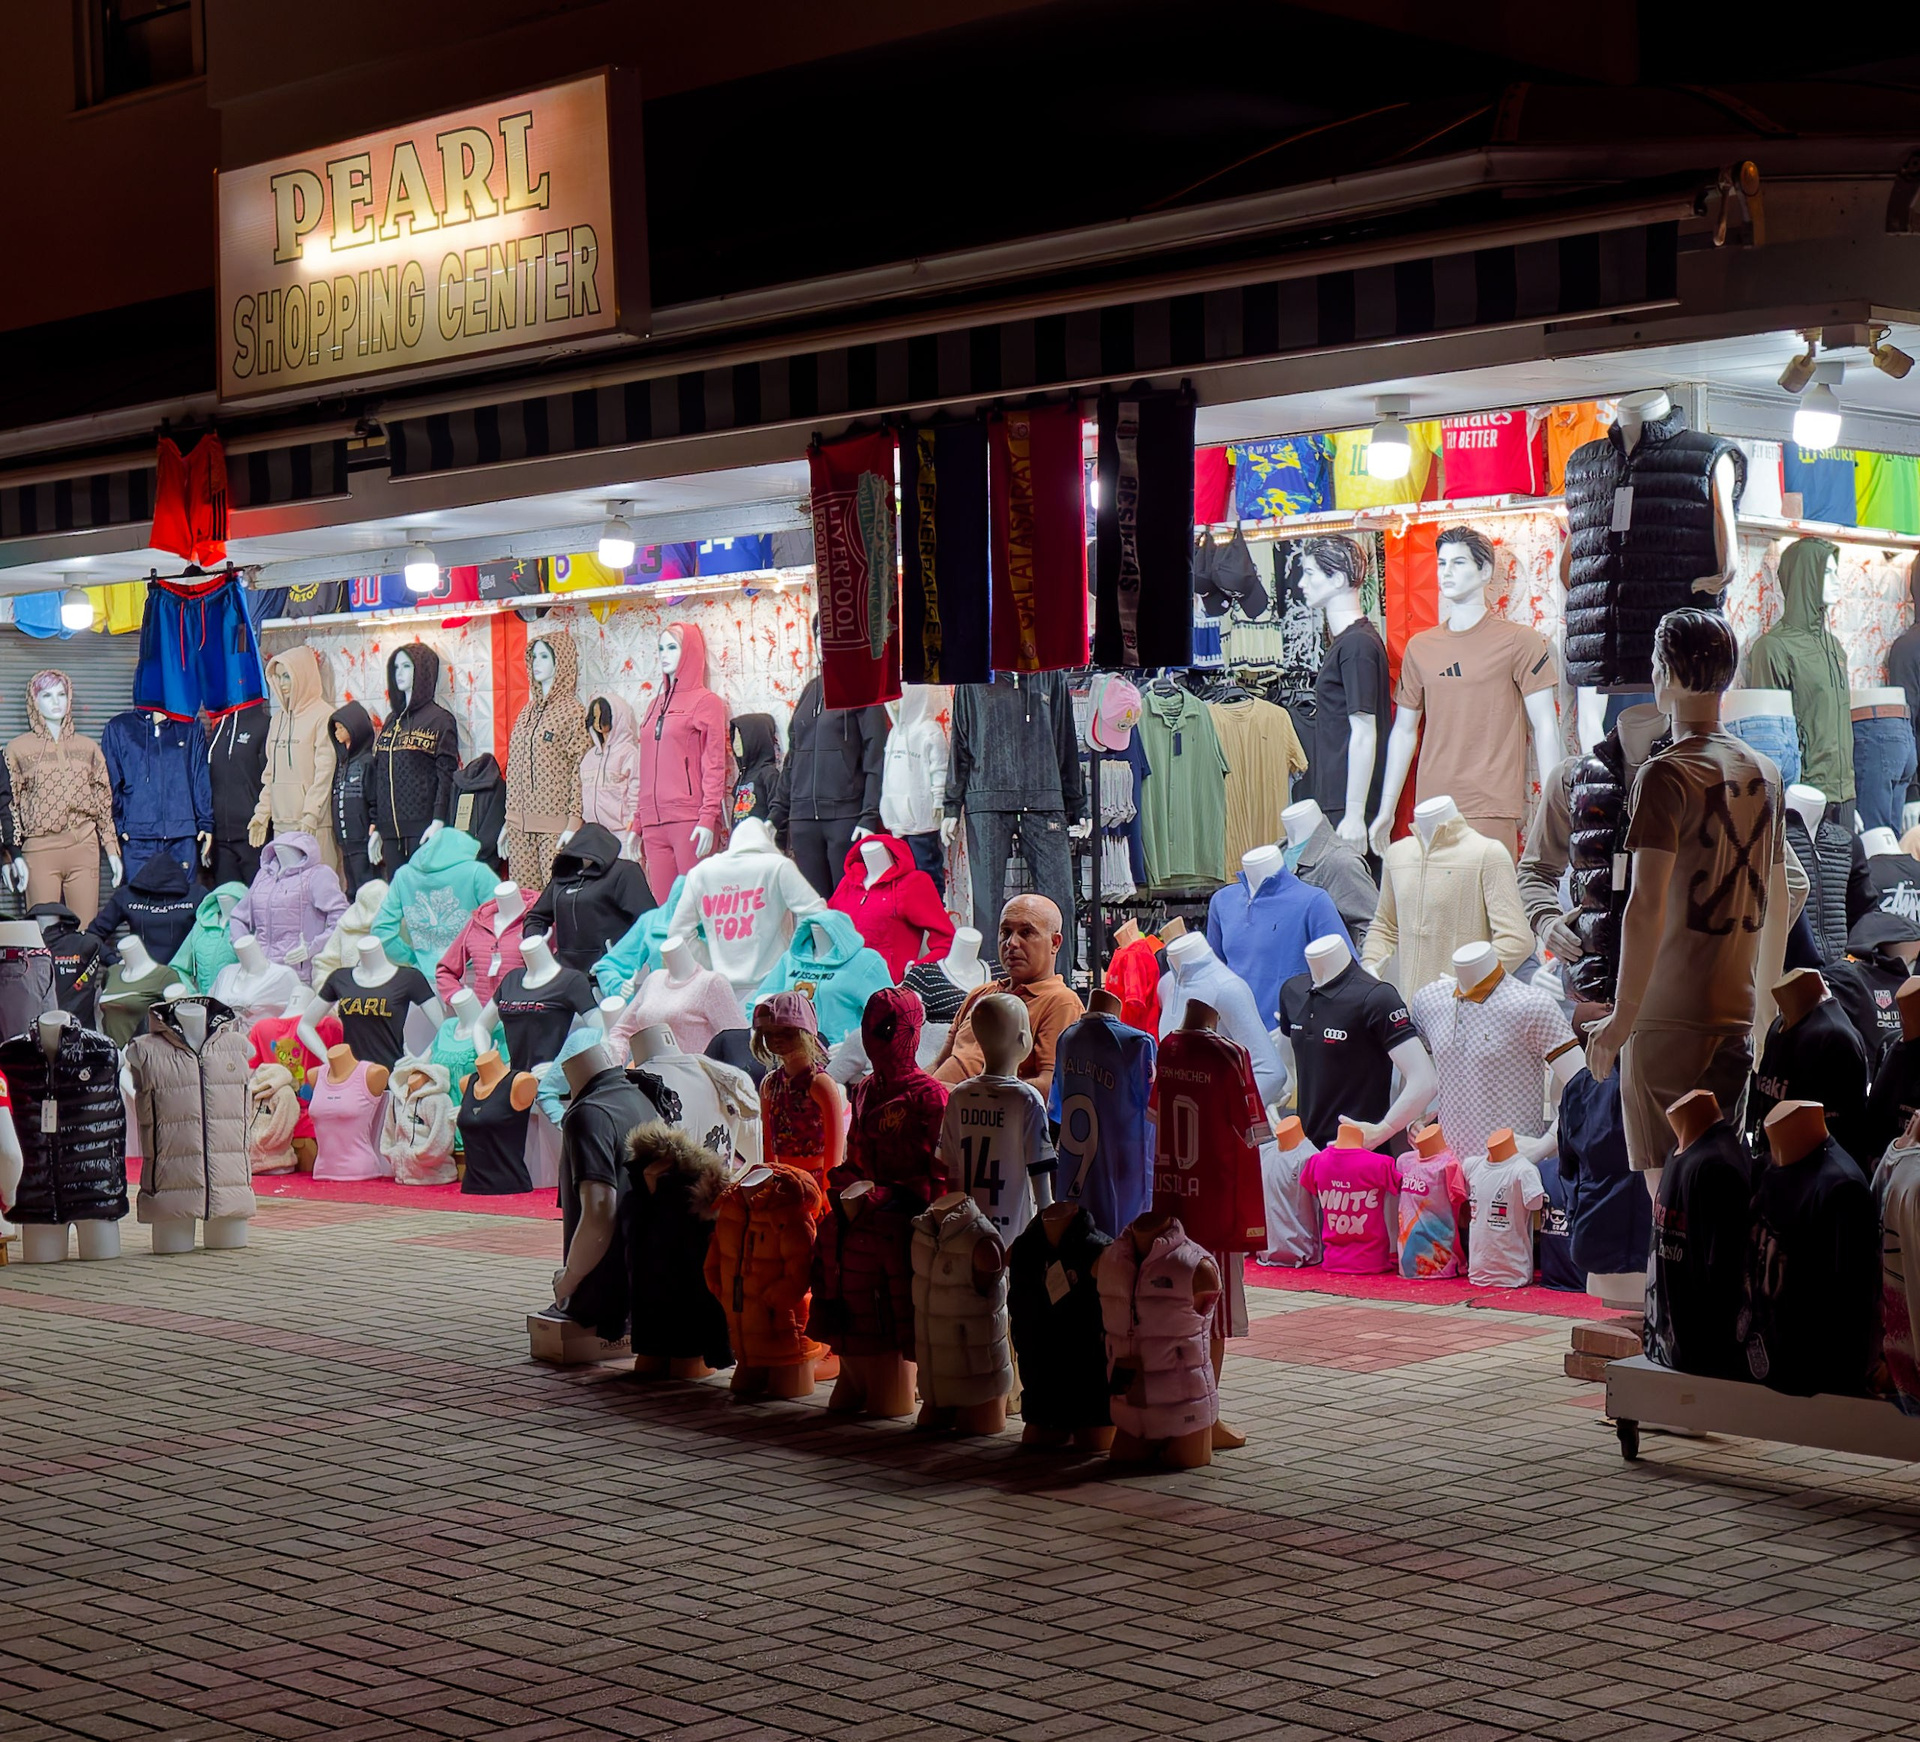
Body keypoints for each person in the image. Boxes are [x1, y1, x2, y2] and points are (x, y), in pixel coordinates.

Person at [932, 895, 1083, 1088]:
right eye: (1006, 932)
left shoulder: (1061, 1002)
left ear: (1055, 943)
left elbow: (1050, 1086)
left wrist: (959, 1094)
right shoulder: (980, 994)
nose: (1011, 943)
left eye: (1026, 932)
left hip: (972, 1105)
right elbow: (939, 1064)